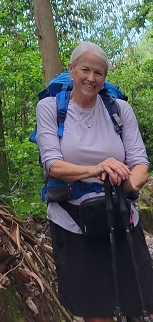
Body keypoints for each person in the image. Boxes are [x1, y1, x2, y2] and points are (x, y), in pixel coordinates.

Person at [36, 40, 153, 322]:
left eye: (98, 72)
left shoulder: (119, 110)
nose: (91, 78)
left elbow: (140, 163)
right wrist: (97, 168)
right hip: (72, 222)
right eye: (85, 70)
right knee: (96, 313)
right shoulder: (50, 108)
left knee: (145, 303)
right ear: (71, 70)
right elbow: (53, 164)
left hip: (122, 216)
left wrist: (126, 183)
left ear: (105, 77)